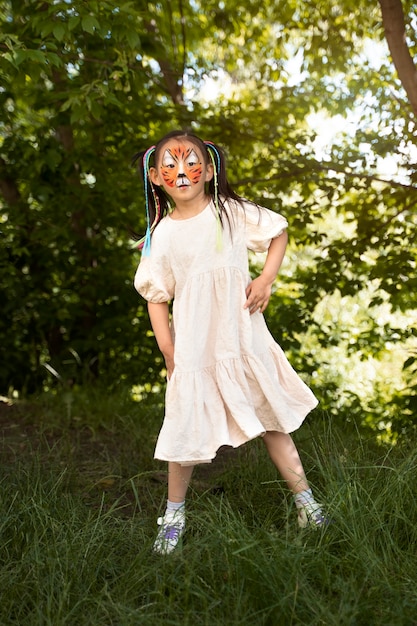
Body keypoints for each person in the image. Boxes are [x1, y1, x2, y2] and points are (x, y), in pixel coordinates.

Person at [133, 130, 327, 555]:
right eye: (171, 164)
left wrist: (266, 279)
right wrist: (169, 352)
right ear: (154, 176)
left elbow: (278, 232)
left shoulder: (231, 212)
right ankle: (173, 515)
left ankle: (307, 503)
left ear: (210, 169)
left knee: (271, 419)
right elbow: (155, 296)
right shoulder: (162, 235)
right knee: (184, 433)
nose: (181, 172)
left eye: (190, 162)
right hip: (196, 350)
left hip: (242, 341)